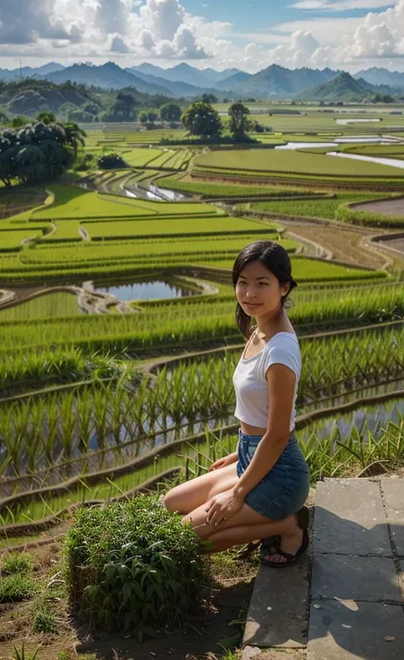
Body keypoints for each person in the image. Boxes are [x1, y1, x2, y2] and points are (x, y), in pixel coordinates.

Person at [163, 240, 310, 566]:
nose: (249, 293)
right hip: (252, 453)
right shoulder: (259, 331)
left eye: (262, 284)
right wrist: (239, 450)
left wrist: (236, 493)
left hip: (280, 473)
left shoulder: (280, 351)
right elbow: (261, 413)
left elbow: (278, 435)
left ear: (284, 287)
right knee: (171, 502)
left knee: (185, 538)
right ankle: (259, 517)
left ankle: (289, 524)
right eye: (242, 283)